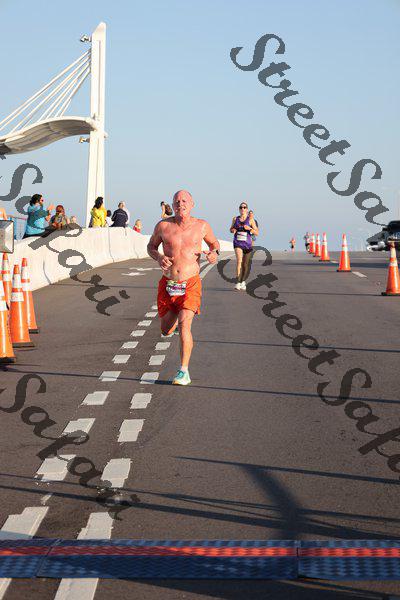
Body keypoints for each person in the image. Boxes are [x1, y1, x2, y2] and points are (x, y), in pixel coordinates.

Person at [148, 189, 219, 386]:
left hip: (190, 283)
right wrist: (159, 257)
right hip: (168, 284)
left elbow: (214, 243)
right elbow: (151, 247)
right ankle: (171, 328)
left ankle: (183, 371)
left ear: (192, 204)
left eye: (185, 200)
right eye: (177, 201)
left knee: (184, 324)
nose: (181, 204)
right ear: (173, 205)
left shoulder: (202, 226)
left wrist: (214, 253)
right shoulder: (163, 226)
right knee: (166, 329)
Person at [230, 202, 258, 291]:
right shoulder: (235, 219)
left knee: (245, 265)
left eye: (244, 207)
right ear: (239, 209)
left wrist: (249, 229)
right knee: (239, 261)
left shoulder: (251, 220)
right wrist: (233, 230)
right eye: (241, 207)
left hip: (247, 244)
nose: (242, 209)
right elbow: (231, 229)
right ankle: (238, 282)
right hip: (237, 243)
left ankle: (243, 281)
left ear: (247, 209)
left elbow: (257, 232)